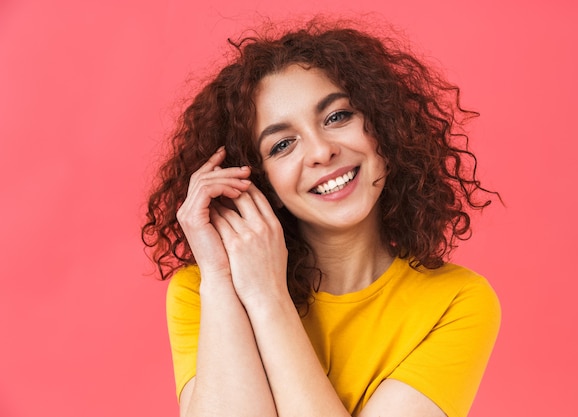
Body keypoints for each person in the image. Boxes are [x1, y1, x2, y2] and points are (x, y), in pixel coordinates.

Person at [142, 17, 501, 417]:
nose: (319, 151)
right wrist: (225, 281)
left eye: (336, 117)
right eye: (282, 145)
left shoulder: (456, 302)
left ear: (384, 126)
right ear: (260, 182)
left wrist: (267, 298)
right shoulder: (205, 289)